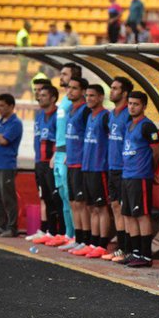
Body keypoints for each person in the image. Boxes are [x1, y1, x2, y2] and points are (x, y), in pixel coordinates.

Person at [119, 91, 159, 267]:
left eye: (135, 104)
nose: (131, 107)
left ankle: (146, 255)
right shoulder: (129, 124)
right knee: (128, 215)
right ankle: (135, 252)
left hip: (140, 177)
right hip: (126, 175)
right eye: (129, 103)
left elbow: (157, 151)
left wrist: (150, 170)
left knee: (142, 215)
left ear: (144, 106)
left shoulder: (148, 126)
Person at [102, 77, 134, 262]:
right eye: (111, 88)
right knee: (115, 206)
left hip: (125, 169)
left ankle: (128, 248)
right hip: (112, 167)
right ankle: (121, 248)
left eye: (115, 88)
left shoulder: (128, 115)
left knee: (124, 210)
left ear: (124, 93)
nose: (111, 91)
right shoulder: (111, 114)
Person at [78, 85, 112, 258]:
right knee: (91, 207)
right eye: (87, 95)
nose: (89, 98)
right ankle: (93, 242)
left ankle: (102, 244)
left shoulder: (106, 116)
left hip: (100, 168)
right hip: (87, 167)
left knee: (101, 207)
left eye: (92, 95)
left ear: (100, 97)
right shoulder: (89, 115)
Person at [49, 63, 78, 250]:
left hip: (68, 153)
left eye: (65, 74)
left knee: (71, 196)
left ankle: (76, 235)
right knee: (63, 195)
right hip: (59, 152)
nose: (61, 77)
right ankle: (68, 233)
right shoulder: (64, 101)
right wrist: (55, 153)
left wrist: (69, 151)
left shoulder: (75, 104)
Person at [31, 86, 63, 243]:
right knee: (46, 197)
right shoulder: (39, 115)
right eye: (39, 95)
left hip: (52, 162)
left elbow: (59, 139)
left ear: (53, 98)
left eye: (43, 95)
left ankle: (61, 232)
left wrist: (55, 157)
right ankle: (49, 230)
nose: (39, 97)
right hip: (40, 162)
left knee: (55, 198)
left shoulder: (58, 115)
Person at [64, 77, 92, 253]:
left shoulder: (85, 111)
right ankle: (77, 237)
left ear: (82, 91)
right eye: (69, 87)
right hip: (71, 162)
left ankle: (86, 240)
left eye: (74, 88)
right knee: (73, 202)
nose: (70, 91)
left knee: (82, 204)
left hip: (82, 164)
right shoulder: (71, 110)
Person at [0, 94, 23, 237]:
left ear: (11, 106)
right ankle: (1, 225)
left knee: (8, 197)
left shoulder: (15, 123)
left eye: (2, 106)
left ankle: (12, 227)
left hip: (7, 165)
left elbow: (4, 141)